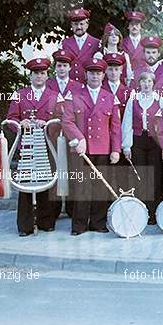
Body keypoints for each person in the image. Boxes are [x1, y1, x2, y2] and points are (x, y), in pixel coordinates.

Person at [61, 58, 121, 236]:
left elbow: (115, 127)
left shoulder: (110, 98)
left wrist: (115, 150)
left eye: (98, 73)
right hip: (81, 151)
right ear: (85, 74)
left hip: (103, 149)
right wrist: (79, 139)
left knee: (100, 188)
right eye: (91, 73)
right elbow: (66, 121)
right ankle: (79, 225)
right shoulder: (75, 95)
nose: (95, 76)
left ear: (103, 75)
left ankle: (98, 223)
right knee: (81, 187)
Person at [6, 57, 64, 236]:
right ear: (30, 76)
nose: (39, 77)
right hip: (28, 146)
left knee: (46, 183)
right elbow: (10, 119)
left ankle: (46, 222)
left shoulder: (55, 96)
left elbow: (62, 120)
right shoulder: (20, 94)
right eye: (35, 73)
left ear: (48, 76)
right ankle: (25, 226)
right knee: (25, 186)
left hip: (47, 146)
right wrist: (20, 122)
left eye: (43, 73)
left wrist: (46, 123)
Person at [121, 71, 162, 225]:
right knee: (139, 176)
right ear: (139, 84)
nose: (146, 84)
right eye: (143, 81)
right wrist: (126, 146)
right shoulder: (133, 100)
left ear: (153, 83)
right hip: (138, 140)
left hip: (155, 142)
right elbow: (127, 123)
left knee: (154, 177)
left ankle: (153, 213)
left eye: (149, 81)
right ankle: (140, 212)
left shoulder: (160, 100)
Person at [61, 8, 100, 82]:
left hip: (89, 85)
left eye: (81, 24)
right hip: (71, 85)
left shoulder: (96, 43)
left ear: (87, 25)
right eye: (75, 24)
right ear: (71, 26)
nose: (79, 27)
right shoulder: (65, 43)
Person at [102, 52, 131, 117]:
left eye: (116, 69)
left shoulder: (129, 92)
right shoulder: (101, 89)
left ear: (121, 70)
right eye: (110, 69)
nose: (113, 72)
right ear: (105, 70)